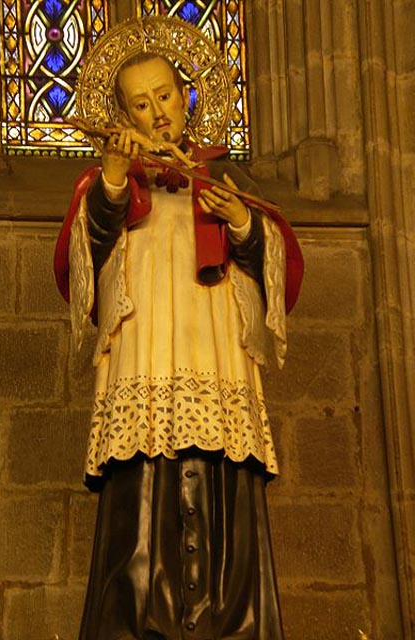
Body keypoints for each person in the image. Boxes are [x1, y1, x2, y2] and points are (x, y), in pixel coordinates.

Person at [54, 41, 303, 640]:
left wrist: (239, 221)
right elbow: (81, 263)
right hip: (142, 361)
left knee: (224, 494)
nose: (158, 111)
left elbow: (276, 264)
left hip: (215, 364)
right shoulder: (110, 182)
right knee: (140, 504)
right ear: (124, 115)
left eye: (164, 95)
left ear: (187, 96)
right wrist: (115, 180)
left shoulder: (224, 176)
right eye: (140, 104)